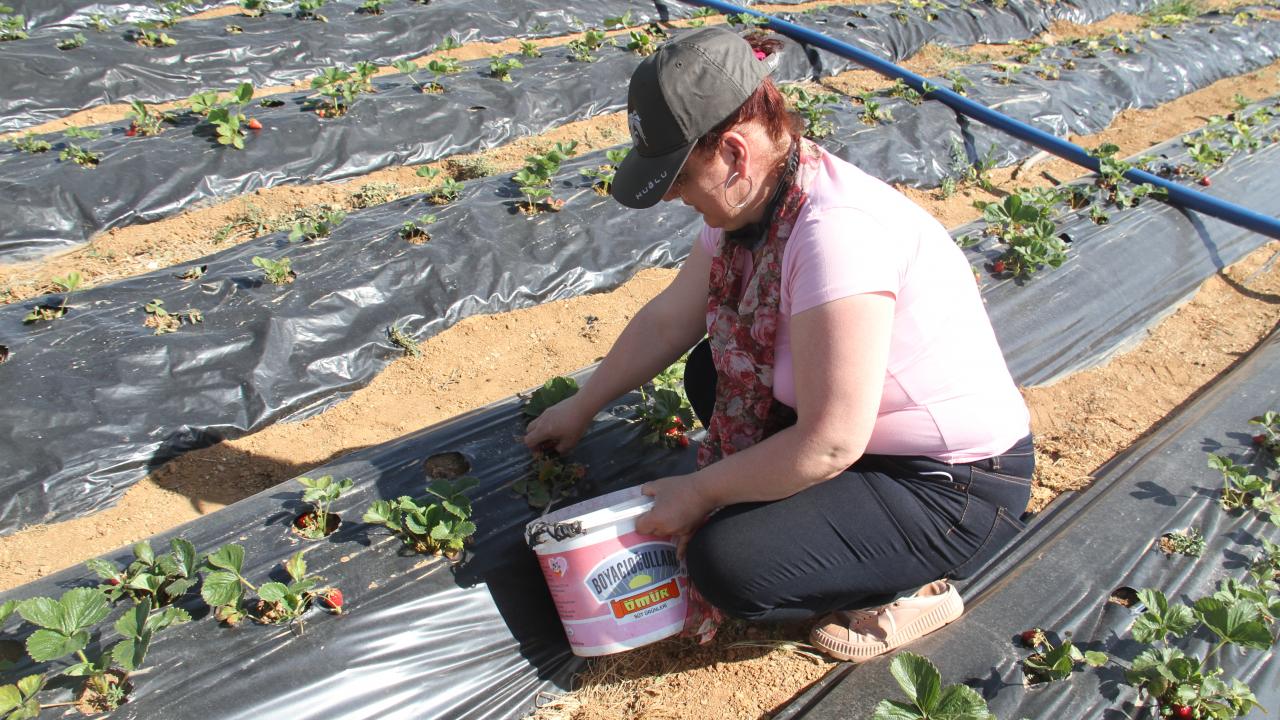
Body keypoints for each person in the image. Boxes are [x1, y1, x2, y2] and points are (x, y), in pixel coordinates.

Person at [523, 26, 1033, 662]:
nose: (676, 197)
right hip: (861, 439)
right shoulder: (762, 201)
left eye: (679, 178)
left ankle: (902, 590)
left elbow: (832, 441)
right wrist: (583, 403)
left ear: (734, 154)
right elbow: (668, 321)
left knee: (730, 566)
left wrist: (703, 492)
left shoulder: (836, 236)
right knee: (713, 368)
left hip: (947, 487)